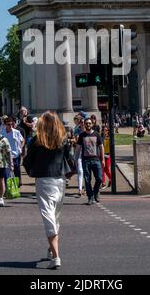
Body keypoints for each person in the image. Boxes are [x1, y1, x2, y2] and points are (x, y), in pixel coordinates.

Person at [25, 111, 70, 270]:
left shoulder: (37, 140)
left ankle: (56, 256)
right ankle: (52, 249)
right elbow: (69, 159)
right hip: (59, 180)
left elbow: (27, 161)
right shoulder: (63, 140)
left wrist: (32, 171)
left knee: (48, 217)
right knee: (56, 216)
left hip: (44, 180)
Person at [75, 117, 104, 205]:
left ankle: (95, 192)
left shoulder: (96, 134)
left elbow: (101, 147)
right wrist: (76, 159)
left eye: (89, 123)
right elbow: (78, 148)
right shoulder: (82, 135)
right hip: (86, 160)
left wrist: (102, 159)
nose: (88, 125)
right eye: (86, 123)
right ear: (84, 125)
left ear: (92, 124)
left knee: (99, 178)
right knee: (87, 180)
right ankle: (90, 197)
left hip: (96, 160)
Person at [3, 116, 25, 187]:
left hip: (15, 155)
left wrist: (20, 148)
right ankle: (8, 186)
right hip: (5, 156)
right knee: (6, 172)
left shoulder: (16, 132)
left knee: (16, 170)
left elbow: (22, 140)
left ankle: (17, 184)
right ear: (5, 124)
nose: (11, 126)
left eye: (12, 124)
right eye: (8, 124)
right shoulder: (2, 132)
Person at [73, 115, 84, 197]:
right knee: (80, 171)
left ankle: (85, 188)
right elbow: (76, 140)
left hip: (85, 151)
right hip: (78, 151)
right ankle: (80, 189)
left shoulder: (84, 129)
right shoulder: (76, 128)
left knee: (85, 171)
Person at [100, 123, 111, 190]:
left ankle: (111, 179)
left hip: (108, 155)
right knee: (102, 169)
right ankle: (103, 183)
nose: (105, 131)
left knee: (106, 168)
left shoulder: (110, 138)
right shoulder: (101, 138)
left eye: (106, 130)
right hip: (102, 155)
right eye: (104, 130)